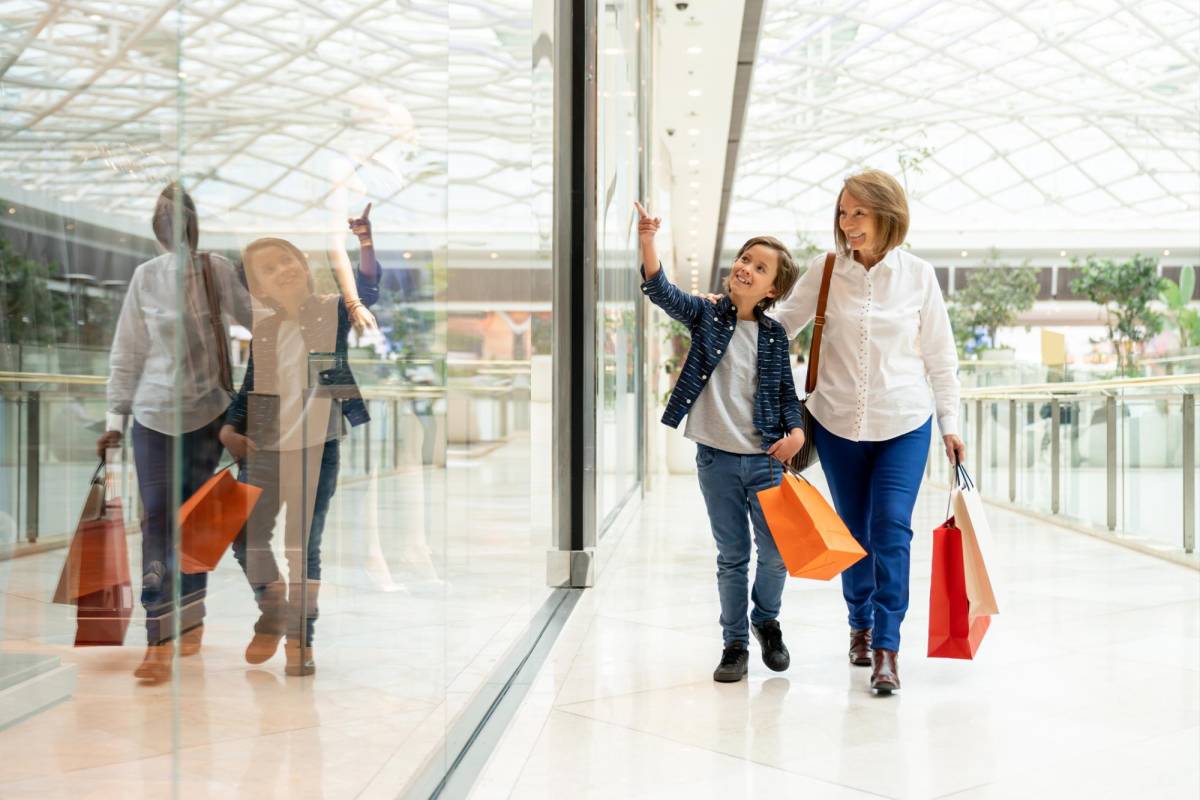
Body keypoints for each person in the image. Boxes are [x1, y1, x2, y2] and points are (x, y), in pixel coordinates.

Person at [768, 169, 965, 694]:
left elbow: (941, 359)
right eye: (842, 212)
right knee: (854, 534)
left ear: (887, 214)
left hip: (904, 422)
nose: (847, 222)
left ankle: (886, 647)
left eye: (859, 212)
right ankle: (859, 622)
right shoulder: (826, 270)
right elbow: (780, 326)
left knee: (892, 530)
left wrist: (952, 424)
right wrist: (731, 315)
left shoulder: (919, 275)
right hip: (836, 423)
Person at [634, 200, 805, 683]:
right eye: (745, 259)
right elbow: (660, 291)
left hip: (768, 459)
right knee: (732, 555)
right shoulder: (708, 316)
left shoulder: (774, 336)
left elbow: (786, 394)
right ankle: (734, 644)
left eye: (760, 266)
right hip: (717, 461)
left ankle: (765, 620)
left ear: (774, 288)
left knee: (774, 553)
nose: (746, 268)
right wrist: (649, 241)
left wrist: (795, 433)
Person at [97, 183, 252, 683]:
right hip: (152, 416)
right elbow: (128, 352)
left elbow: (259, 324)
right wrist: (113, 422)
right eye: (163, 216)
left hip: (209, 415)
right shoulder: (145, 277)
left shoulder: (217, 270)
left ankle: (192, 618)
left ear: (190, 222)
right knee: (159, 522)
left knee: (198, 522)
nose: (171, 224)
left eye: (178, 215)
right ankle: (158, 639)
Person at [219, 205, 379, 677]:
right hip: (265, 448)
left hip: (317, 446)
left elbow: (368, 290)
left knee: (301, 545)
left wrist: (364, 243)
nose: (282, 269)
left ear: (304, 266)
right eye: (267, 269)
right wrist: (231, 427)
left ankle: (300, 640)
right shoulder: (265, 330)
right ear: (258, 288)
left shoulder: (331, 311)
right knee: (245, 536)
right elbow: (250, 387)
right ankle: (273, 607)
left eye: (287, 259)